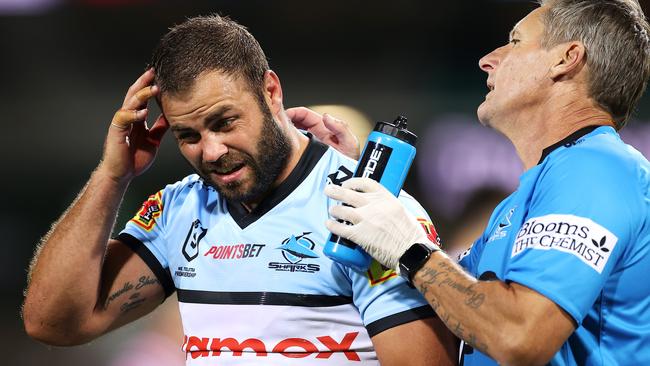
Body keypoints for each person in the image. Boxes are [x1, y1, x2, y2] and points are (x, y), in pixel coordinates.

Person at [21, 14, 458, 365]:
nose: (211, 151)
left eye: (224, 122)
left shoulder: (369, 210)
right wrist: (111, 176)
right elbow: (54, 323)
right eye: (187, 135)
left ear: (270, 92)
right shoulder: (179, 209)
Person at [293, 0, 650, 365]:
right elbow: (457, 306)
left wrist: (410, 250)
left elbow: (518, 337)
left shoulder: (597, 169)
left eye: (514, 41)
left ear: (565, 58)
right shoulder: (521, 201)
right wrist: (361, 176)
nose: (487, 59)